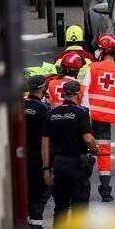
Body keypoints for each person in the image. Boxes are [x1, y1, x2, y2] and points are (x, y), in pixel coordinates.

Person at [79, 33, 115, 203]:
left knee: (84, 151)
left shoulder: (92, 67)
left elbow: (83, 91)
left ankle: (82, 187)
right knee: (104, 153)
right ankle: (106, 191)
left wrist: (85, 113)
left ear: (101, 49)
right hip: (106, 119)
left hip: (88, 117)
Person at [43, 80, 98, 221]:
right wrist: (95, 148)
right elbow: (88, 139)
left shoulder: (51, 114)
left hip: (58, 165)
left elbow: (44, 144)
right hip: (77, 165)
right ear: (78, 94)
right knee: (79, 208)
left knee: (60, 207)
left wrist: (46, 169)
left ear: (63, 94)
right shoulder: (81, 112)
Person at [23, 75, 51, 229]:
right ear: (43, 88)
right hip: (36, 158)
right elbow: (46, 140)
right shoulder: (43, 110)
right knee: (37, 197)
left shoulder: (21, 105)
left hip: (20, 157)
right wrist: (47, 165)